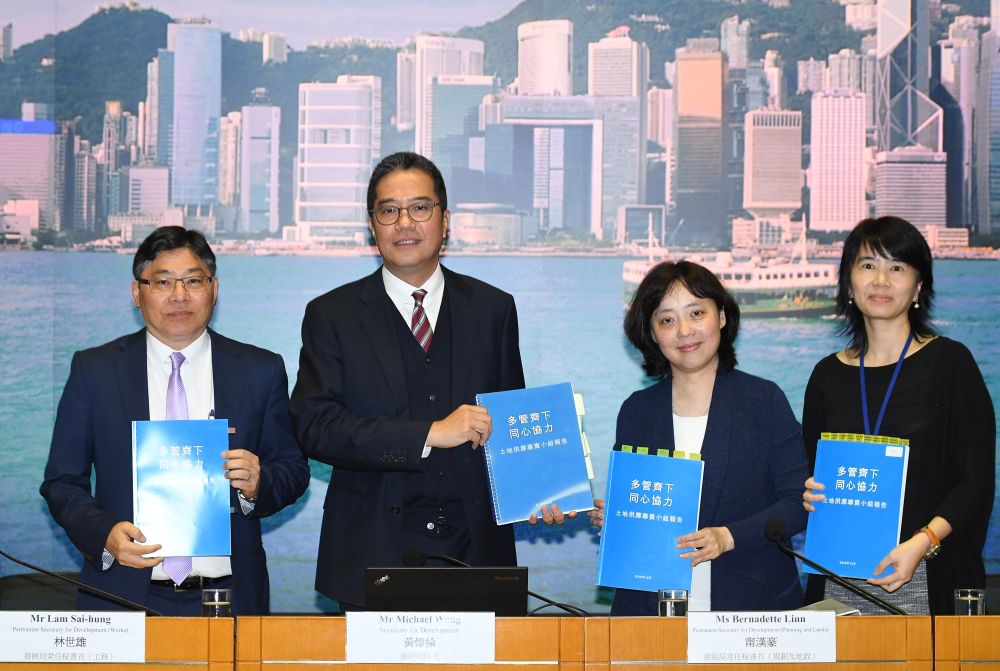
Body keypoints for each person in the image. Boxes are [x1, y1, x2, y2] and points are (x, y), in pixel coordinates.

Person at [290, 152, 527, 610]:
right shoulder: (331, 315)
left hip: (476, 551)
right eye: (389, 210)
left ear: (445, 220)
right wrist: (428, 434)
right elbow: (315, 425)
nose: (405, 223)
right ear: (372, 225)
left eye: (420, 207)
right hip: (371, 549)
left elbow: (509, 425)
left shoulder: (494, 309)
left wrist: (538, 492)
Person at [40, 226, 310, 616]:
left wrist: (258, 483)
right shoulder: (95, 370)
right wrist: (105, 535)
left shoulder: (259, 370)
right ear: (137, 293)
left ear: (214, 290)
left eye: (193, 281)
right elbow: (62, 482)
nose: (179, 295)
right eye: (163, 281)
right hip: (123, 592)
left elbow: (293, 469)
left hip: (229, 595)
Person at [589, 260, 809, 614]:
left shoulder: (762, 400)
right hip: (652, 608)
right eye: (667, 320)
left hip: (749, 603)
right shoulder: (637, 410)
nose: (684, 331)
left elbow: (798, 502)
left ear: (721, 317)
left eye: (696, 313)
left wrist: (728, 536)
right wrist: (618, 519)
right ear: (652, 333)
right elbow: (641, 509)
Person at [802, 216, 994, 615]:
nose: (881, 280)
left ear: (919, 286)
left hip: (924, 572)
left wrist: (922, 542)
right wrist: (807, 493)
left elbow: (974, 482)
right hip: (836, 579)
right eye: (868, 265)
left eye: (897, 268)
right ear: (848, 282)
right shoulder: (826, 376)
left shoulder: (951, 364)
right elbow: (811, 473)